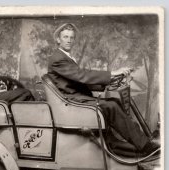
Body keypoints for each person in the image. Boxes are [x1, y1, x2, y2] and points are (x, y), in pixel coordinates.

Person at [48, 23, 159, 156]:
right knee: (111, 106)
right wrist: (112, 73)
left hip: (75, 97)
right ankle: (144, 145)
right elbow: (82, 76)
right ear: (58, 39)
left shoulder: (65, 57)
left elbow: (77, 81)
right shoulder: (57, 58)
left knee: (114, 102)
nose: (69, 40)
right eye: (65, 37)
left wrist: (109, 81)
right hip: (71, 102)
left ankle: (121, 144)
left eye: (71, 37)